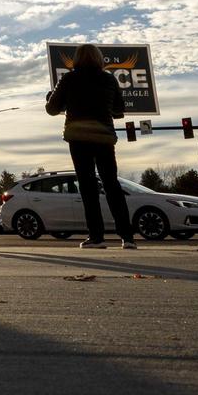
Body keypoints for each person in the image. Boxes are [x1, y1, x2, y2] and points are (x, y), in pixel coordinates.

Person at [45, 43, 135, 249]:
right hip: (103, 137)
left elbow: (52, 109)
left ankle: (97, 237)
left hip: (79, 138)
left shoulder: (68, 79)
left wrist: (51, 96)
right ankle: (127, 237)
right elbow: (119, 111)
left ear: (76, 59)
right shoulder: (109, 79)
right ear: (99, 58)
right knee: (112, 184)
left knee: (88, 186)